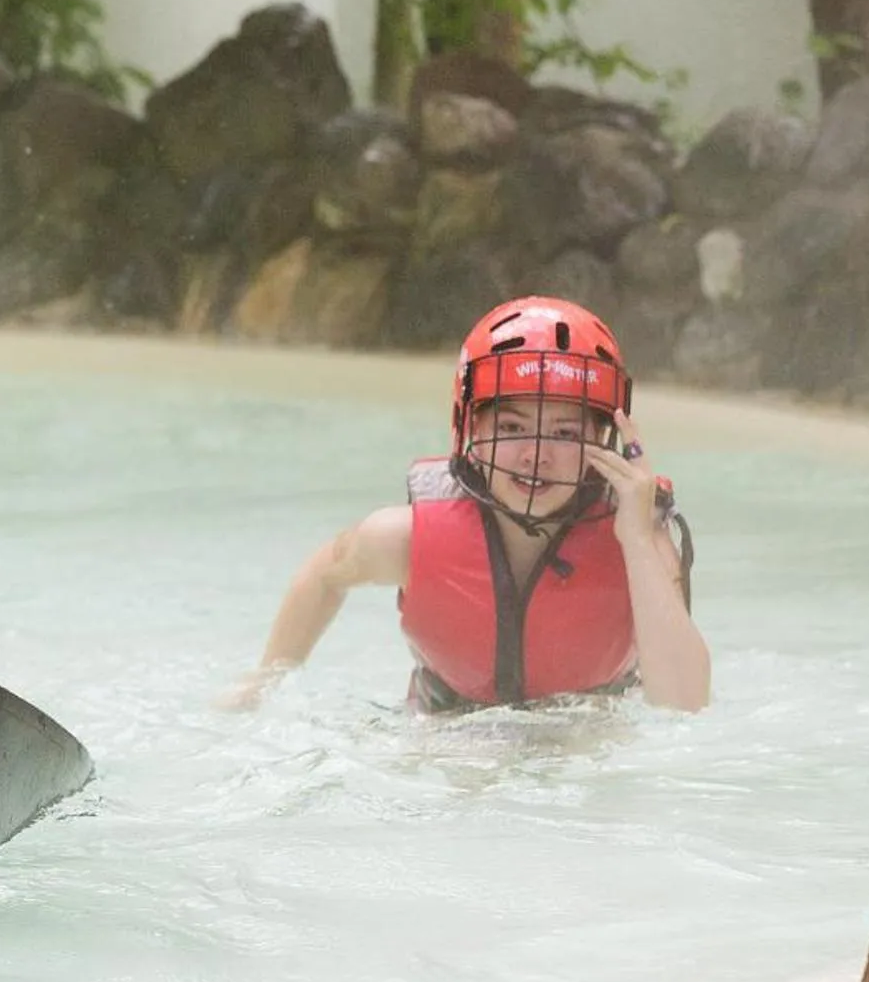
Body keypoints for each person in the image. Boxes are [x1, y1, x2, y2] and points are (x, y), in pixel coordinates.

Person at [226, 296, 709, 713]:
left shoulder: (638, 541)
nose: (536, 454)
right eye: (513, 428)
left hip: (588, 732)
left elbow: (685, 704)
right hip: (445, 728)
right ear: (470, 431)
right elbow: (324, 576)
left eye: (564, 434)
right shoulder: (402, 537)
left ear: (604, 445)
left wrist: (637, 540)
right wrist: (266, 678)